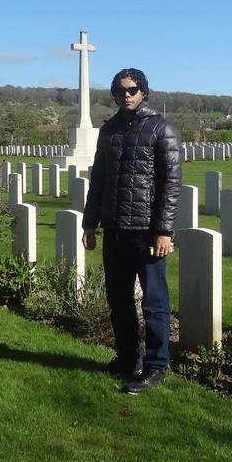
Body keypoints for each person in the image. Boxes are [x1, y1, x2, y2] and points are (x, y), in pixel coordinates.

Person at [81, 68, 182, 394]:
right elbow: (99, 180)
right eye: (121, 90)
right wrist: (89, 223)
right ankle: (128, 358)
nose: (127, 94)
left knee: (153, 302)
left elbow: (171, 184)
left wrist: (164, 230)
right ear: (114, 93)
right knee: (119, 300)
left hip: (147, 233)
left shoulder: (161, 130)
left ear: (144, 92)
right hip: (115, 229)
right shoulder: (109, 130)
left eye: (133, 89)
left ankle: (156, 366)